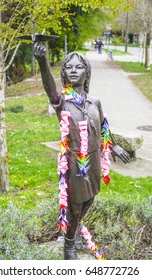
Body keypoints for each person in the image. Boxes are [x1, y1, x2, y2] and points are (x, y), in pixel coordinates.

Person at [34, 42, 130, 260]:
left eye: (79, 67)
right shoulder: (62, 102)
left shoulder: (95, 101)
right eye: (69, 67)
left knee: (90, 198)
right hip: (74, 160)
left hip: (94, 158)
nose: (74, 71)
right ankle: (69, 244)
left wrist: (112, 144)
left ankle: (74, 231)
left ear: (87, 72)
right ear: (64, 74)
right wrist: (42, 62)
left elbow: (103, 125)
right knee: (76, 204)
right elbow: (49, 87)